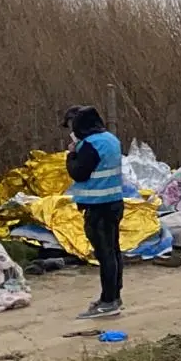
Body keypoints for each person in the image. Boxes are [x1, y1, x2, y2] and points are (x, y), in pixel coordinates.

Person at [64, 106, 126, 319]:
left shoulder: (90, 145)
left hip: (98, 206)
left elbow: (79, 173)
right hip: (114, 203)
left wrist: (71, 154)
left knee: (105, 254)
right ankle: (114, 295)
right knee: (114, 251)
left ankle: (108, 302)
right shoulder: (111, 139)